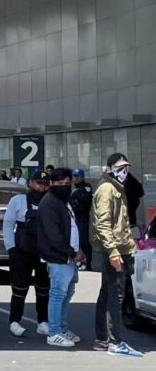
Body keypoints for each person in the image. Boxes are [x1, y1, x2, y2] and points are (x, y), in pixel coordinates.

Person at [91, 153, 143, 357]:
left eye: (126, 167)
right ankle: (115, 341)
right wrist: (113, 251)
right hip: (115, 250)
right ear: (110, 167)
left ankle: (103, 339)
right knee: (115, 295)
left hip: (118, 248)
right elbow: (103, 224)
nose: (124, 171)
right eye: (120, 167)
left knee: (107, 294)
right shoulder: (107, 189)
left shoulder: (114, 187)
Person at [37, 168, 84, 348]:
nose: (63, 187)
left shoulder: (64, 201)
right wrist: (72, 253)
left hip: (68, 256)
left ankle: (62, 329)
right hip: (59, 257)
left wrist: (78, 250)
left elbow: (71, 227)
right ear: (51, 184)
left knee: (67, 293)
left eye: (66, 183)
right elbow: (53, 235)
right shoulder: (49, 203)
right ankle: (54, 332)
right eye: (59, 183)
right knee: (57, 294)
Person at [2, 170, 51, 337]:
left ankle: (43, 321)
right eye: (38, 183)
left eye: (45, 184)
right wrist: (11, 248)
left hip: (44, 252)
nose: (41, 187)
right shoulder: (17, 201)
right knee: (19, 288)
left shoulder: (51, 201)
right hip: (22, 251)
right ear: (30, 183)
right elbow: (8, 225)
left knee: (43, 288)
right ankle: (14, 321)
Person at [70, 169, 93, 271]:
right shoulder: (73, 188)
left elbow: (86, 198)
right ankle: (78, 260)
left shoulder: (86, 187)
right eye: (74, 176)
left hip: (82, 217)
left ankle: (87, 262)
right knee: (75, 240)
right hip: (73, 217)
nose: (75, 178)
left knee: (83, 240)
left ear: (82, 177)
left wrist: (76, 192)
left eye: (77, 176)